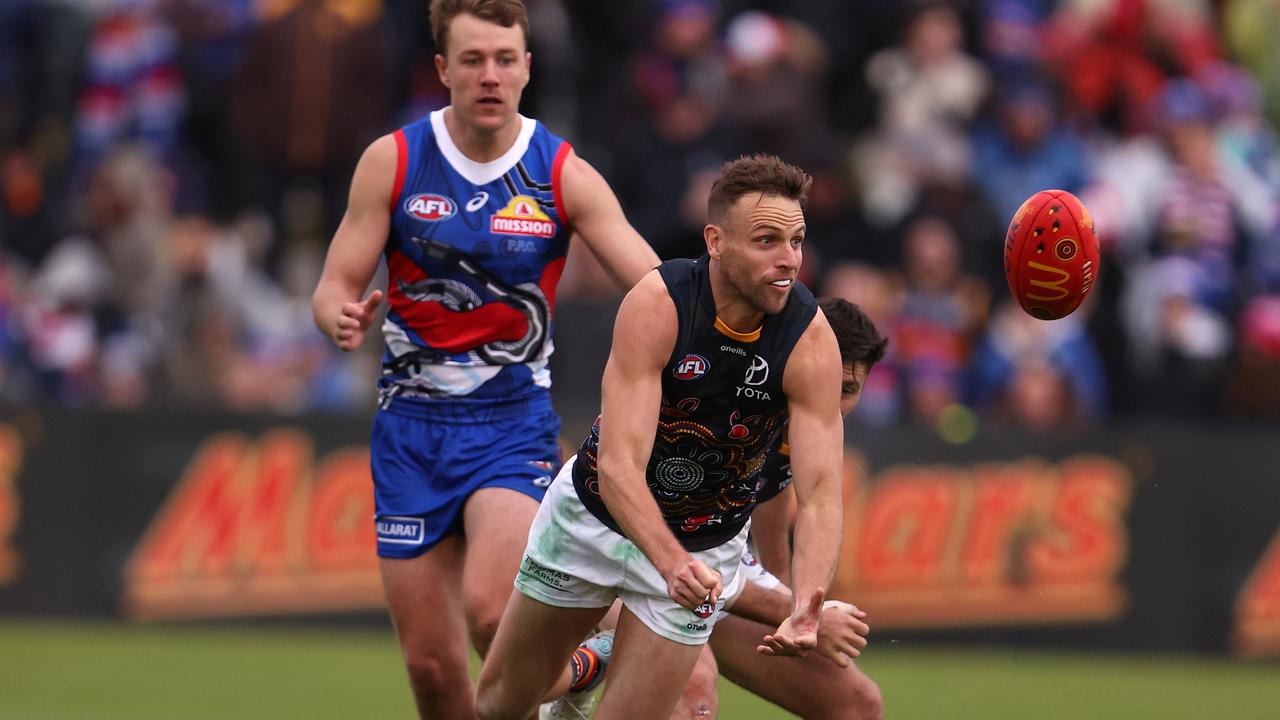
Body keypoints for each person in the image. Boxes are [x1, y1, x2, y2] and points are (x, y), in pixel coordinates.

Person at [310, 2, 659, 718]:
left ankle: (591, 659)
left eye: (505, 59)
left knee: (492, 617)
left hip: (510, 424)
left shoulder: (559, 172)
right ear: (443, 69)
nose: (490, 75)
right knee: (434, 674)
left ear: (528, 66)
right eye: (473, 60)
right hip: (408, 432)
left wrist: (713, 342)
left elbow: (654, 288)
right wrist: (337, 314)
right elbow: (333, 285)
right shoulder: (395, 160)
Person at [475, 154, 847, 720]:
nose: (788, 260)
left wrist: (807, 602)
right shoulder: (660, 302)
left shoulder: (809, 340)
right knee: (498, 705)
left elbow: (821, 494)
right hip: (594, 522)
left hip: (703, 550)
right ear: (716, 241)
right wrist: (670, 563)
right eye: (767, 241)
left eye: (795, 241)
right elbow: (619, 467)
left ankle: (593, 668)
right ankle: (592, 662)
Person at [545, 297, 889, 720]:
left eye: (849, 390)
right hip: (616, 553)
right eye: (830, 383)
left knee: (857, 705)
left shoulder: (798, 438)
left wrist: (796, 618)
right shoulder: (729, 405)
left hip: (704, 577)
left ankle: (584, 672)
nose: (832, 403)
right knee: (695, 692)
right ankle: (586, 668)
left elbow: (763, 544)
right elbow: (689, 543)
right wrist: (801, 612)